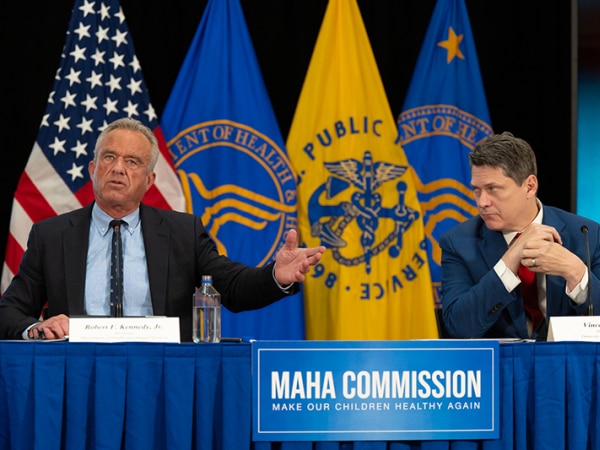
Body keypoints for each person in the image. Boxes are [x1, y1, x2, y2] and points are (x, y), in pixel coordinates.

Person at [0, 117, 326, 341]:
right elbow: (10, 310)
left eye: (132, 162)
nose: (118, 169)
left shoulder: (182, 232)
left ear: (149, 180)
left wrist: (275, 276)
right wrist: (37, 328)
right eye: (109, 158)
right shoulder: (51, 236)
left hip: (161, 376)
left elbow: (232, 288)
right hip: (79, 372)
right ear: (92, 169)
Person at [440, 131, 600, 340]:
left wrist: (576, 273)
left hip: (569, 360)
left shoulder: (586, 235)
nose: (482, 202)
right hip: (499, 361)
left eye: (493, 189)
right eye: (477, 190)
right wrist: (508, 261)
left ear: (530, 186)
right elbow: (459, 327)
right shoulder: (458, 243)